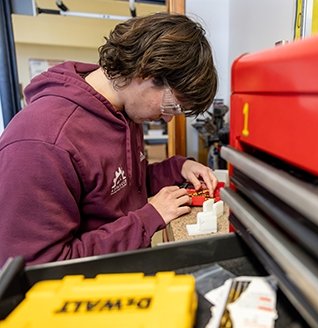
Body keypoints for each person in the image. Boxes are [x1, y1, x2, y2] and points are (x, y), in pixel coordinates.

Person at [0, 12, 218, 266]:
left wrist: (179, 167)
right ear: (146, 72)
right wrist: (149, 217)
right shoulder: (42, 141)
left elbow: (118, 187)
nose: (168, 119)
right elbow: (40, 267)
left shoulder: (123, 113)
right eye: (171, 106)